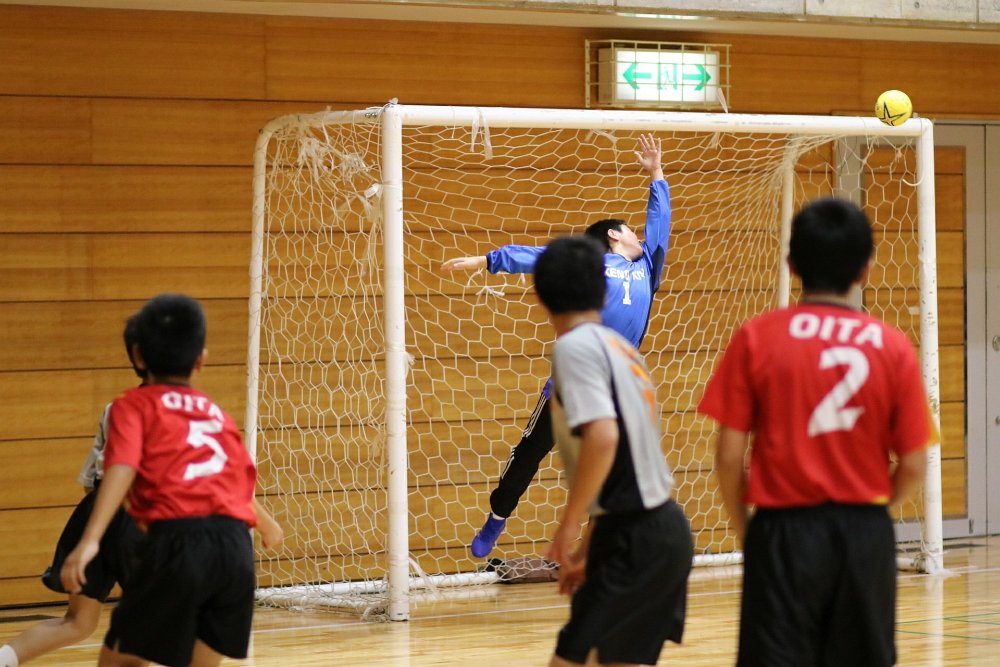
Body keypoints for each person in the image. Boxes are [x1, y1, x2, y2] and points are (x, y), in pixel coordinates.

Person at [697, 198, 934, 667]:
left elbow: (727, 458)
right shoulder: (893, 346)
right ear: (866, 269)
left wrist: (748, 531)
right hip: (863, 533)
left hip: (783, 532)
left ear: (791, 264)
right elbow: (914, 463)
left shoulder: (757, 336)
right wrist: (867, 512)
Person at [442, 133, 672, 557]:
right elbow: (539, 256)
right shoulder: (591, 261)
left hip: (620, 384)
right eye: (631, 230)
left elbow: (660, 223)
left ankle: (596, 548)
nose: (640, 235)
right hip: (574, 378)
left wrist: (656, 173)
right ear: (614, 235)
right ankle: (497, 516)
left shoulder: (648, 268)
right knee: (531, 451)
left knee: (611, 465)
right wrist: (486, 260)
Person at [59, 293, 282, 667]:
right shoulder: (215, 414)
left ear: (138, 356)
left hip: (178, 542)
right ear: (201, 360)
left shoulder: (132, 405)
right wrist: (266, 524)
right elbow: (233, 483)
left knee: (121, 661)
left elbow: (122, 466)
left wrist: (90, 539)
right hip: (235, 550)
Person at [534, 235, 692, 667]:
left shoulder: (573, 347)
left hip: (634, 537)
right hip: (658, 530)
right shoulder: (624, 350)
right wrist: (589, 550)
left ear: (541, 298)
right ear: (604, 293)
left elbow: (604, 439)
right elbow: (628, 472)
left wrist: (568, 526)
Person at [0, 317, 146, 667]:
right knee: (161, 618)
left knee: (78, 622)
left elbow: (89, 477)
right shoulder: (186, 411)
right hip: (140, 515)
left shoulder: (116, 406)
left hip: (95, 509)